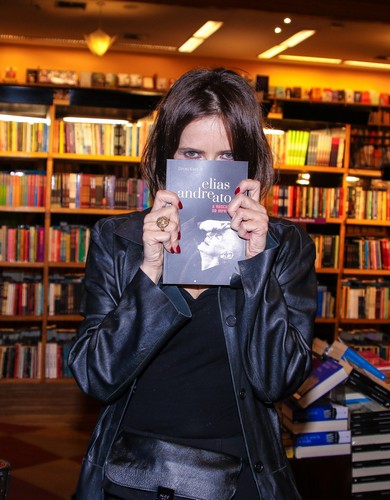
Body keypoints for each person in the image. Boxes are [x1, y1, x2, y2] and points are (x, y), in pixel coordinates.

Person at [68, 67, 317, 500]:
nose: (209, 173)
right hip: (135, 471)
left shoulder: (283, 245)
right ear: (167, 157)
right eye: (191, 154)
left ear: (250, 163)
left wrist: (257, 264)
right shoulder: (118, 239)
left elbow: (277, 380)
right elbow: (96, 376)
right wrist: (151, 273)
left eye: (227, 157)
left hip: (238, 472)